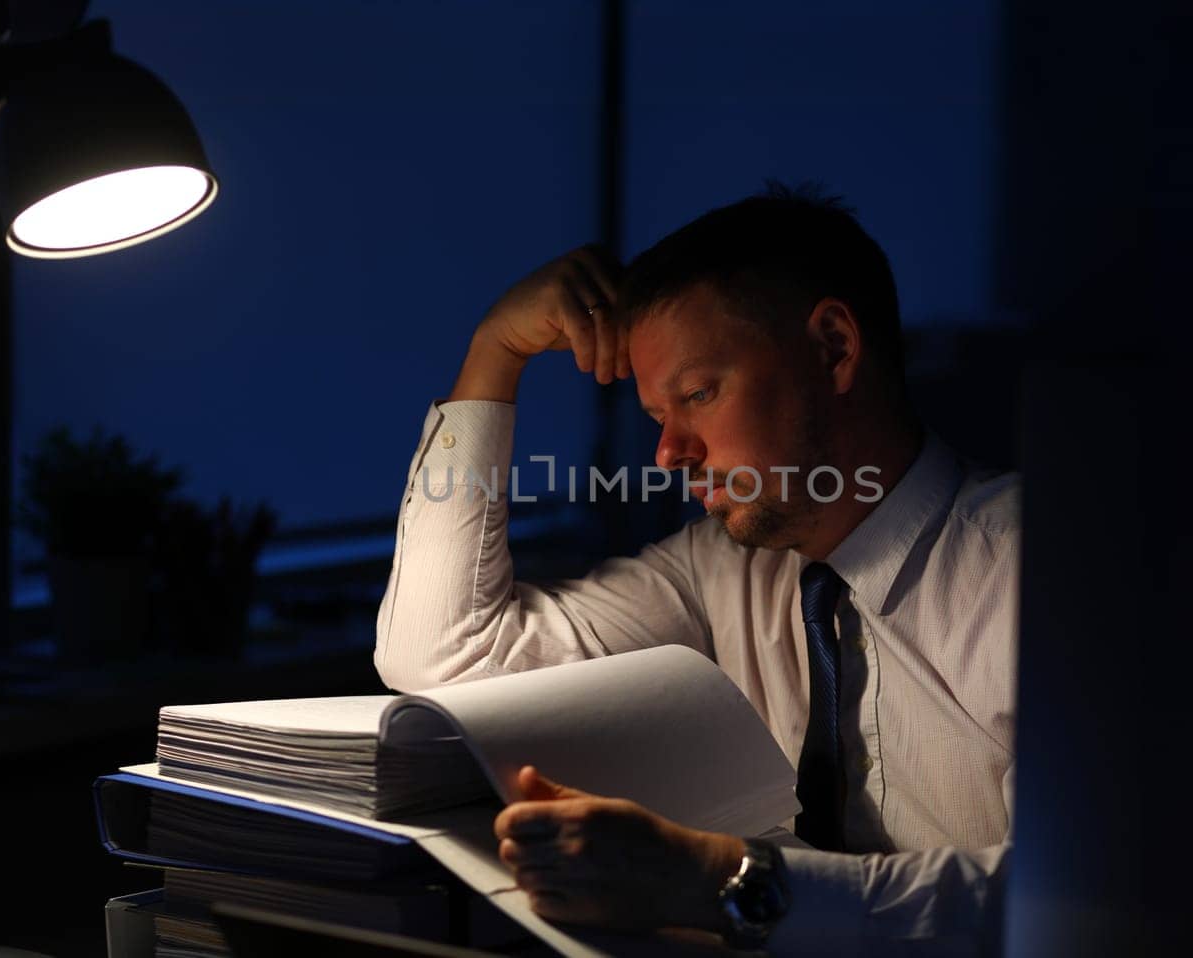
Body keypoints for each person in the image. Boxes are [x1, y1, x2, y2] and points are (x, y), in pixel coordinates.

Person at [376, 187, 1018, 955]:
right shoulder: (724, 572)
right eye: (657, 418)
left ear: (836, 349)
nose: (669, 455)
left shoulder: (1038, 579)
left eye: (699, 395)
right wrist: (494, 355)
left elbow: (1084, 898)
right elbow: (442, 655)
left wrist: (722, 878)